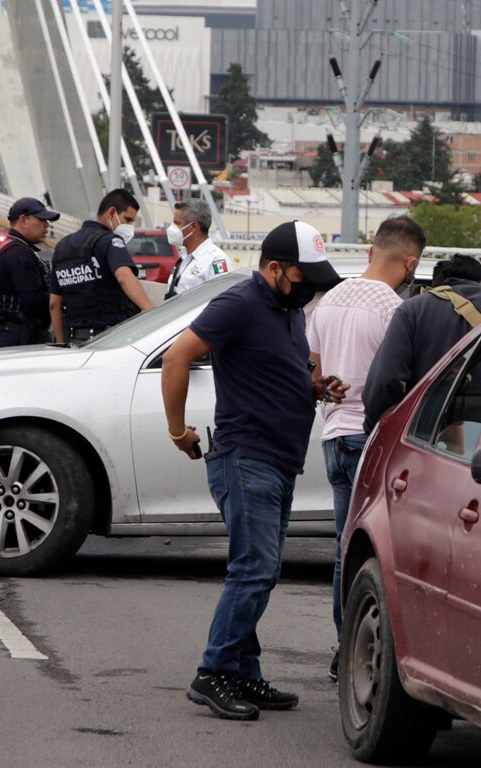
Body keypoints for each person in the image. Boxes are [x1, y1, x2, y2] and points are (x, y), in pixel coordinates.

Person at [162, 220, 346, 722]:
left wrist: (316, 387)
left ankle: (244, 672)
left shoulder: (288, 312)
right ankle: (214, 672)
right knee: (253, 570)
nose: (309, 288)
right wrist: (178, 431)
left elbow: (278, 372)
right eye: (302, 277)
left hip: (277, 460)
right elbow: (177, 357)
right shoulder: (240, 303)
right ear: (273, 269)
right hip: (247, 458)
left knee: (261, 572)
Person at [306, 215, 424, 682]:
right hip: (369, 440)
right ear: (410, 261)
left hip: (333, 437)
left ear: (373, 250)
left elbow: (312, 370)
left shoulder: (329, 300)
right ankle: (360, 650)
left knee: (344, 551)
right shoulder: (394, 309)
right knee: (375, 555)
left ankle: (344, 647)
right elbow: (398, 379)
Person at [363, 253, 481, 433]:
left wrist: (376, 426)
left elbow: (385, 380)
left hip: (425, 432)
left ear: (437, 286)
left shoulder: (413, 310)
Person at [49, 188, 153, 343]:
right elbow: (124, 276)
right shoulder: (110, 241)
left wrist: (60, 343)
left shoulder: (62, 246)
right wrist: (152, 312)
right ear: (111, 213)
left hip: (75, 340)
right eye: (128, 219)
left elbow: (54, 303)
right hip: (108, 338)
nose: (130, 226)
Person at [0, 197, 60, 347]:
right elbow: (33, 301)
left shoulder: (2, 248)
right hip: (22, 339)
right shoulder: (20, 253)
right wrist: (59, 295)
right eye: (42, 220)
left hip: (6, 335)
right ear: (23, 221)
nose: (47, 225)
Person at [164, 199, 230, 299]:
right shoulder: (184, 257)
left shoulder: (216, 260)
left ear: (193, 227)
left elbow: (222, 304)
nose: (171, 228)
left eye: (177, 223)